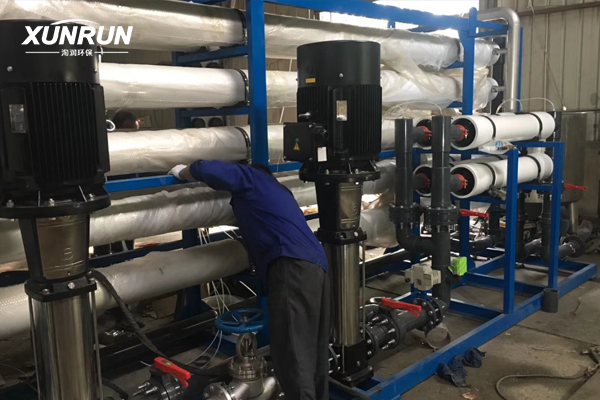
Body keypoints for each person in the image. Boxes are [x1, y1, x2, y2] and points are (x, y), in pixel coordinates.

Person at [169, 160, 330, 400]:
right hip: (315, 265)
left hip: (290, 268)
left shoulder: (254, 179)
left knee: (294, 356)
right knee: (314, 352)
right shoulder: (279, 192)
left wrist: (184, 171)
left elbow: (211, 169)